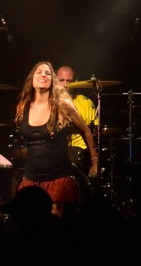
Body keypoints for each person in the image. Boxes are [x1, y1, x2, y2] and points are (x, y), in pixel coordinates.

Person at [14, 61, 98, 219]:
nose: (43, 75)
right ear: (31, 78)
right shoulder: (23, 106)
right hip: (31, 178)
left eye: (47, 73)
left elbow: (86, 130)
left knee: (53, 224)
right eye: (39, 72)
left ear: (52, 80)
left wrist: (94, 162)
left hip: (59, 177)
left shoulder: (63, 105)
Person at [55, 65, 98, 173]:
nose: (65, 84)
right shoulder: (49, 102)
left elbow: (93, 132)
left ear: (76, 81)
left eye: (69, 81)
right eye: (61, 80)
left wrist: (94, 161)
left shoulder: (85, 102)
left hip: (78, 148)